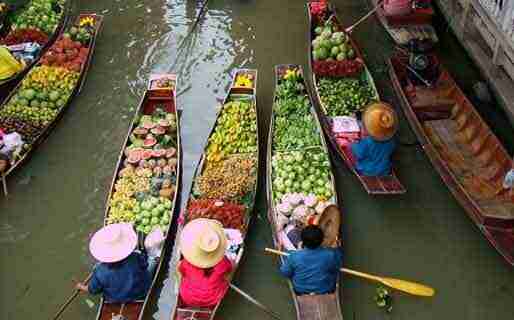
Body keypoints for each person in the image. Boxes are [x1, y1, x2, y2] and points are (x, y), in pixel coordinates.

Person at [76, 223, 153, 303]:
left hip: (115, 300)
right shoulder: (135, 257)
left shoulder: (99, 271)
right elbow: (145, 265)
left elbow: (93, 290)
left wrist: (81, 287)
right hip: (141, 292)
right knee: (152, 260)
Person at [177, 218, 233, 308]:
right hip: (213, 299)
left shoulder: (187, 263)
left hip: (187, 297)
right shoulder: (223, 262)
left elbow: (180, 270)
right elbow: (229, 270)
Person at [279, 225, 343, 295]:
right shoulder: (331, 255)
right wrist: (337, 249)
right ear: (322, 240)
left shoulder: (294, 256)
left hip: (300, 289)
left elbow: (285, 272)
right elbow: (337, 267)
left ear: (302, 241)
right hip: (326, 288)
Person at [351, 102, 398, 176]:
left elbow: (358, 153)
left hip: (367, 172)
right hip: (385, 171)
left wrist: (353, 143)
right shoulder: (391, 141)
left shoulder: (368, 142)